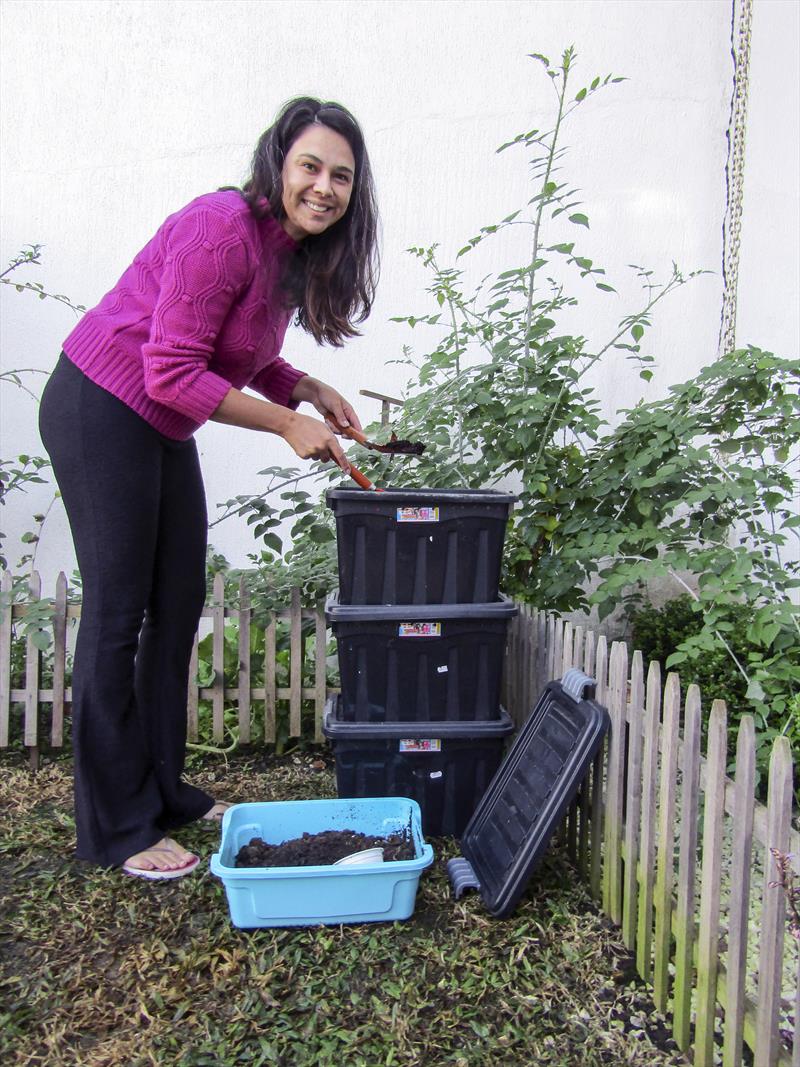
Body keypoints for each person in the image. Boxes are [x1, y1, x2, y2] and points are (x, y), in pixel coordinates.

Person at [38, 97, 379, 880]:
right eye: (310, 166)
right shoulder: (219, 227)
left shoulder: (286, 256)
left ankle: (164, 790)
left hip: (159, 420)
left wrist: (304, 386)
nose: (324, 186)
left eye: (341, 176)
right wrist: (282, 425)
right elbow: (170, 366)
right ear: (278, 164)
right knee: (119, 611)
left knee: (179, 600)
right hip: (102, 403)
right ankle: (117, 826)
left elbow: (238, 349)